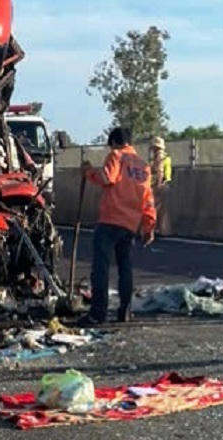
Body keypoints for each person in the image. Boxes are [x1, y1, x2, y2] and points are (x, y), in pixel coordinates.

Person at [79, 127, 155, 325]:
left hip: (110, 220)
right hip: (130, 225)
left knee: (101, 268)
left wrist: (88, 172)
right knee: (125, 269)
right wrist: (149, 227)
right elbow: (148, 200)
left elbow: (106, 178)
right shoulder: (143, 166)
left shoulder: (116, 156)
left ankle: (98, 313)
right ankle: (125, 311)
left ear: (113, 142)